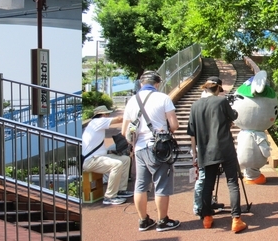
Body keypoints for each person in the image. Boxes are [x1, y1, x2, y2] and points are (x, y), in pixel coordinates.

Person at [121, 71, 181, 232]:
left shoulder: (132, 101)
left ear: (141, 83)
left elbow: (124, 131)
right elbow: (174, 125)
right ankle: (163, 221)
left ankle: (143, 221)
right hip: (159, 148)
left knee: (140, 185)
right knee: (161, 183)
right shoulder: (163, 98)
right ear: (157, 84)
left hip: (139, 148)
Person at [187, 76, 247, 232]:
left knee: (208, 184)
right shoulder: (221, 102)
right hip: (225, 148)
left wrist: (194, 154)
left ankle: (207, 218)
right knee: (232, 183)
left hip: (206, 150)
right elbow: (234, 116)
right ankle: (236, 220)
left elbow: (192, 133)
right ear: (219, 89)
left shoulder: (195, 106)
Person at [82, 105, 133, 205]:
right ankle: (109, 196)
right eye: (107, 114)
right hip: (90, 161)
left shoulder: (96, 124)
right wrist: (132, 116)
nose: (108, 115)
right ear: (102, 114)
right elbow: (119, 118)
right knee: (117, 164)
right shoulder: (97, 121)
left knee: (125, 159)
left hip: (98, 157)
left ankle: (120, 190)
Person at [192, 77, 222, 216]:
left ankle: (207, 202)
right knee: (203, 178)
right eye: (219, 90)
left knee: (208, 177)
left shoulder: (199, 103)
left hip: (204, 146)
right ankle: (199, 207)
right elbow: (193, 132)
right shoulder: (202, 104)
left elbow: (192, 132)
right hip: (205, 147)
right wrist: (195, 153)